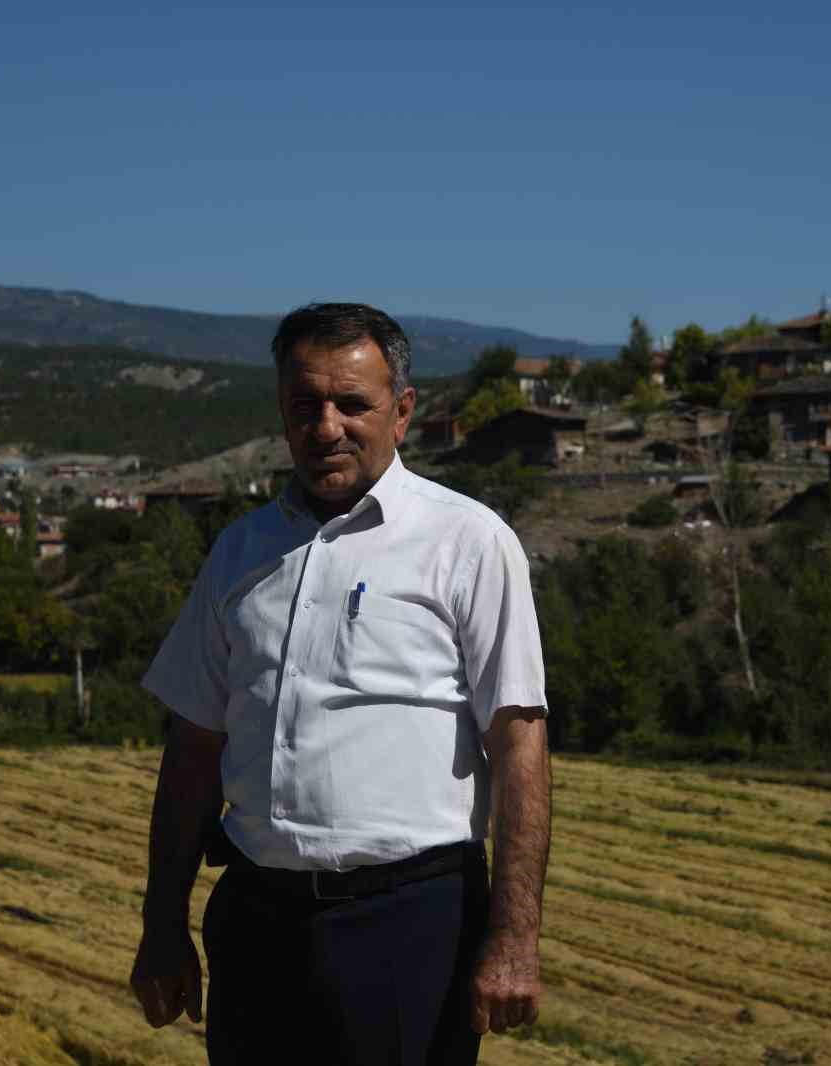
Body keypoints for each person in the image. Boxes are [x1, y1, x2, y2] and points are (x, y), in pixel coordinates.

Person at [130, 302, 551, 1065]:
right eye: (305, 406)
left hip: (411, 924)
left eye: (352, 404)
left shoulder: (469, 542)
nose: (326, 427)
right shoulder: (239, 551)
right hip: (257, 923)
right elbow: (192, 748)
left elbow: (520, 747)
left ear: (403, 411)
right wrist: (163, 924)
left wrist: (515, 938)